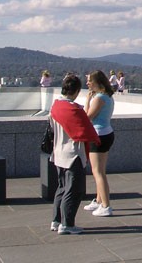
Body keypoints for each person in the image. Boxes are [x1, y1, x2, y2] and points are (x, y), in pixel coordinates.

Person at [50, 73, 100, 235]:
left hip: (58, 153)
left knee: (62, 188)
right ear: (77, 91)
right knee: (73, 190)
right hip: (73, 154)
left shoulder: (55, 106)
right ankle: (67, 223)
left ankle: (56, 220)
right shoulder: (74, 110)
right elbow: (85, 129)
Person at [83, 70, 115, 217]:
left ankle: (106, 205)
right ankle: (98, 200)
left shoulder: (99, 98)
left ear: (97, 82)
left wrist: (87, 101)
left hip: (98, 135)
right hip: (105, 133)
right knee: (100, 171)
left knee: (98, 172)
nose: (88, 83)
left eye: (90, 80)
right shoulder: (106, 96)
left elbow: (87, 117)